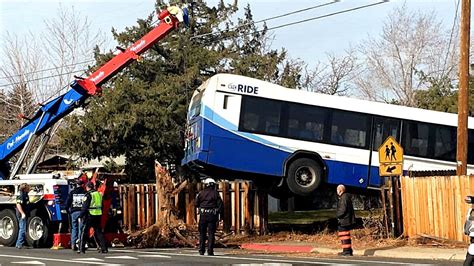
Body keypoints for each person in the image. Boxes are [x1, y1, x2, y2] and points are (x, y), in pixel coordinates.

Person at [195, 178, 223, 256]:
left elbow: (196, 204)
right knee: (211, 233)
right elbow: (220, 205)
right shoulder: (215, 193)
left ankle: (201, 250)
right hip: (212, 216)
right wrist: (221, 216)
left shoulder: (201, 193)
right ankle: (210, 251)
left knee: (202, 233)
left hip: (203, 215)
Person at [78, 182, 108, 254]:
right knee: (99, 232)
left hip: (90, 215)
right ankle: (104, 248)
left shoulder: (88, 194)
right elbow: (102, 205)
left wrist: (80, 216)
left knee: (84, 232)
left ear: (87, 187)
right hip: (98, 215)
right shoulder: (98, 194)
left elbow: (85, 207)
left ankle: (81, 249)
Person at [66, 178, 86, 251]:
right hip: (82, 212)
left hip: (74, 212)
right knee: (81, 228)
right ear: (82, 184)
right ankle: (80, 243)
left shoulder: (72, 192)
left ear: (76, 184)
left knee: (74, 228)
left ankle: (73, 244)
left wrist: (67, 209)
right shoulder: (85, 192)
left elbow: (68, 202)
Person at [336, 184, 356, 256]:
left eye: (337, 190)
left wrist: (337, 215)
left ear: (340, 190)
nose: (337, 191)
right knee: (346, 235)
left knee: (344, 235)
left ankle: (346, 251)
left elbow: (343, 209)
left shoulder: (343, 198)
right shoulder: (346, 196)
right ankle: (348, 250)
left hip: (344, 220)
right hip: (347, 219)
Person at [15, 183, 31, 249]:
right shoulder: (21, 194)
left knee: (23, 228)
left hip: (24, 213)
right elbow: (18, 204)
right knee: (22, 229)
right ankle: (19, 244)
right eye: (28, 187)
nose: (29, 188)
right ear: (24, 188)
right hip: (21, 214)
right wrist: (22, 213)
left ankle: (21, 243)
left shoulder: (25, 194)